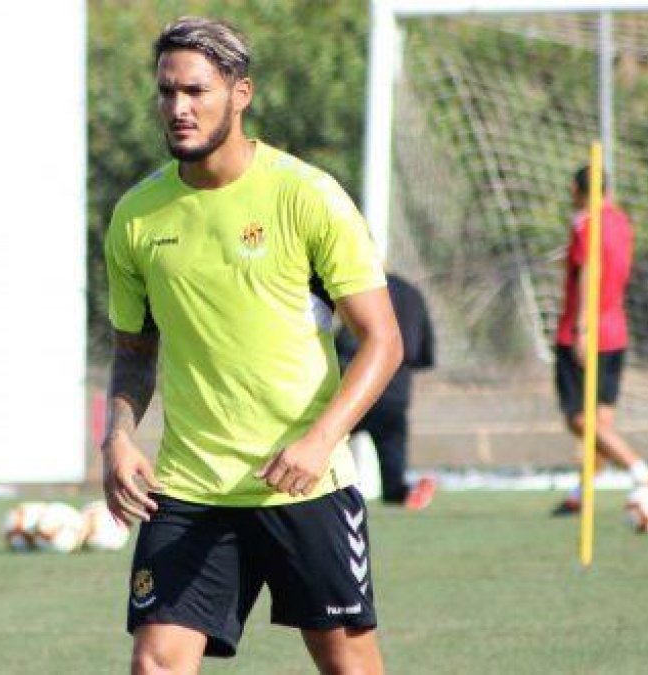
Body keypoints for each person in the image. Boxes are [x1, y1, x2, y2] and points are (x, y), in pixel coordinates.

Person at [101, 16, 402, 674]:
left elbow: (383, 341)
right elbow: (134, 352)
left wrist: (320, 441)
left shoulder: (308, 196)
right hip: (190, 487)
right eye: (167, 92)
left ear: (241, 93)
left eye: (196, 91)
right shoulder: (136, 217)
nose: (178, 108)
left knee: (349, 666)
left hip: (304, 485)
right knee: (155, 662)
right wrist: (116, 438)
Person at [552, 165, 648, 516]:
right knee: (601, 425)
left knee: (579, 420)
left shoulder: (585, 224)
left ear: (575, 189)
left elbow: (590, 271)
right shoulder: (621, 222)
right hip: (616, 331)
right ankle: (580, 493)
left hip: (583, 331)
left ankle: (643, 473)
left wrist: (583, 327)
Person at [335, 272, 437, 509]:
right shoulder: (411, 293)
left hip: (356, 390)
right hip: (395, 391)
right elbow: (423, 351)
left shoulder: (357, 285)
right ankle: (399, 492)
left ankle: (320, 492)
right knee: (392, 453)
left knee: (326, 445)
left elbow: (348, 344)